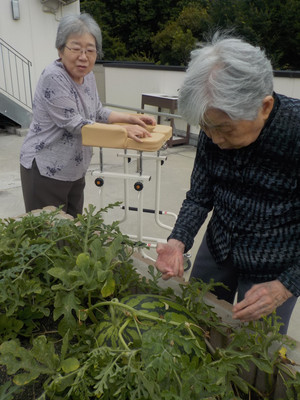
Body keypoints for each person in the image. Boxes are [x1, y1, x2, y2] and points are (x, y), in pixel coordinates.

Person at [155, 33, 299, 335]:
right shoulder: (213, 124)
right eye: (206, 129)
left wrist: (287, 285)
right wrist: (178, 240)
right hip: (219, 244)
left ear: (265, 106)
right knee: (196, 323)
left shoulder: (295, 132)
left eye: (225, 130)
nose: (215, 140)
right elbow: (199, 195)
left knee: (255, 352)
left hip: (274, 265)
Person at [20, 13, 155, 218]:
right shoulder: (54, 77)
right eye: (75, 48)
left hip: (74, 169)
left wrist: (130, 118)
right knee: (48, 239)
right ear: (60, 49)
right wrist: (123, 130)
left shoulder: (88, 75)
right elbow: (76, 124)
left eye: (90, 50)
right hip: (46, 170)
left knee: (72, 234)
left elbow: (97, 111)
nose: (83, 56)